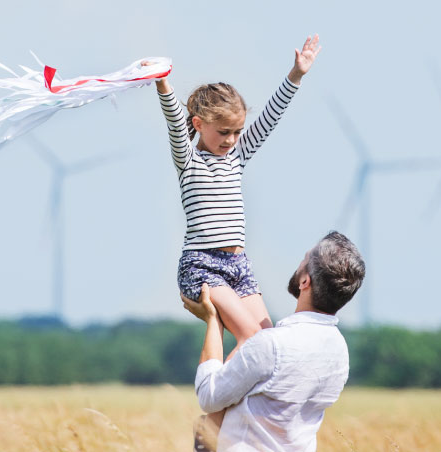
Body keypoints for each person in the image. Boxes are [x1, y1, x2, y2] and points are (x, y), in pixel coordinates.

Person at [155, 34, 324, 353]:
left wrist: (296, 75)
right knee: (249, 336)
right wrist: (163, 84)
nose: (231, 140)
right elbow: (175, 125)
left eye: (237, 132)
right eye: (223, 132)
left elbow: (269, 119)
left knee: (268, 341)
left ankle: (243, 403)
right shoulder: (189, 161)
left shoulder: (236, 157)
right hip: (202, 265)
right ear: (199, 124)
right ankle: (215, 400)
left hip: (239, 265)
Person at [182, 231, 366, 452]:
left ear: (305, 281)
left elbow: (208, 396)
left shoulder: (272, 345)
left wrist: (213, 321)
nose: (299, 264)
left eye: (304, 259)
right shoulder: (340, 352)